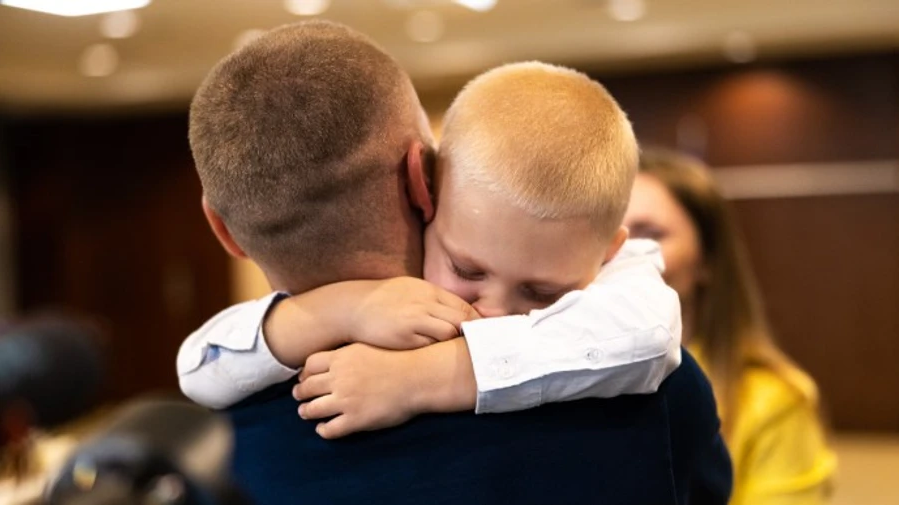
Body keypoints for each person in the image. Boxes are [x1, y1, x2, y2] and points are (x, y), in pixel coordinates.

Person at [184, 20, 730, 505]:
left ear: (221, 230)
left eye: (539, 292)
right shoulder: (654, 396)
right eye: (470, 272)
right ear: (425, 179)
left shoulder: (211, 455)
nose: (494, 311)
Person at [624, 148, 837, 505]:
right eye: (607, 231)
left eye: (650, 235)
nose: (622, 254)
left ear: (707, 259)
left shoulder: (772, 402)